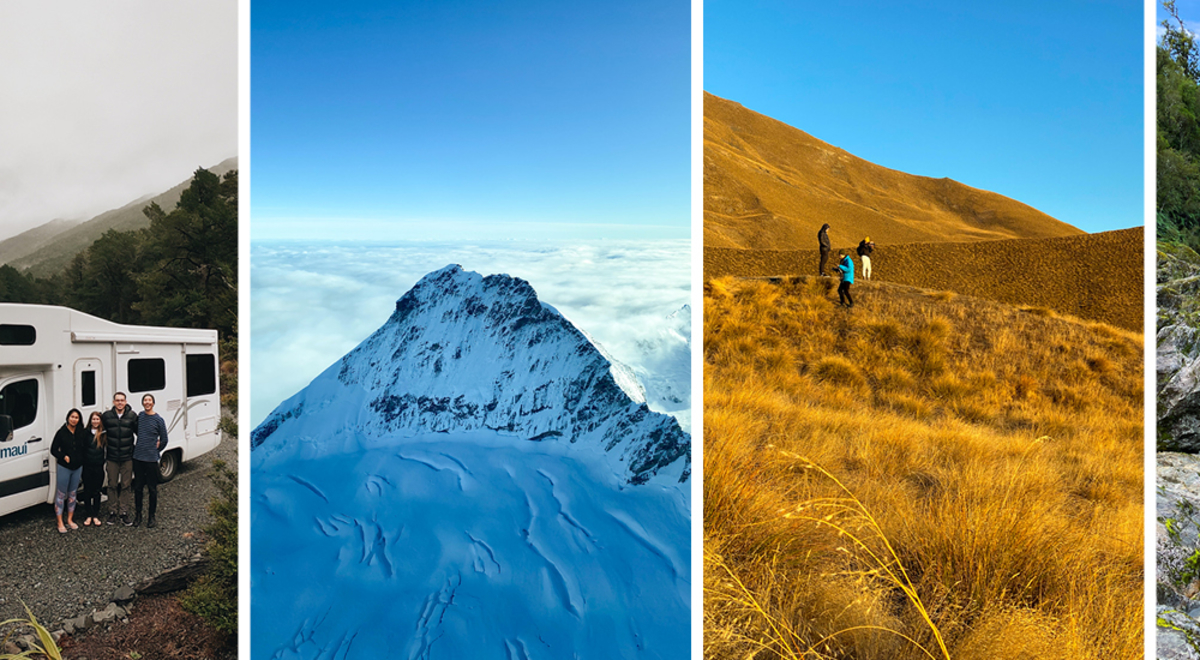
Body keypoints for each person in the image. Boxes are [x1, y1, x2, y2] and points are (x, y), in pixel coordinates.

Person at [102, 392, 138, 526]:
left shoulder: (132, 416)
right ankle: (112, 511)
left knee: (126, 485)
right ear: (113, 402)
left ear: (126, 401)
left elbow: (139, 432)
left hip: (127, 457)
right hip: (111, 457)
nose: (120, 403)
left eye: (122, 400)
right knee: (111, 485)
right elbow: (98, 431)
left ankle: (124, 512)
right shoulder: (106, 416)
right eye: (117, 400)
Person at [133, 393, 169, 528]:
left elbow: (164, 439)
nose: (147, 402)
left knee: (152, 489)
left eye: (149, 400)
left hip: (151, 460)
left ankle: (151, 517)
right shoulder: (140, 416)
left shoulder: (159, 420)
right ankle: (138, 515)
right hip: (138, 458)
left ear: (153, 403)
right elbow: (138, 431)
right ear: (143, 403)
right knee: (138, 488)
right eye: (145, 400)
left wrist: (156, 451)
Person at [50, 408, 86, 533]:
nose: (74, 419)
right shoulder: (61, 432)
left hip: (77, 467)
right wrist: (63, 456)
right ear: (68, 418)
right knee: (61, 494)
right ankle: (60, 521)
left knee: (72, 494)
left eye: (76, 417)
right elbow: (53, 449)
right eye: (72, 417)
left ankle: (70, 519)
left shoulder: (81, 432)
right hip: (64, 467)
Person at [80, 411, 108, 527]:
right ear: (90, 420)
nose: (95, 421)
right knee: (87, 491)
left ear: (100, 421)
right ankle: (88, 515)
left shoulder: (103, 434)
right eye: (93, 419)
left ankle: (95, 515)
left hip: (99, 467)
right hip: (87, 467)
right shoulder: (85, 433)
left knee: (97, 492)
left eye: (97, 419)